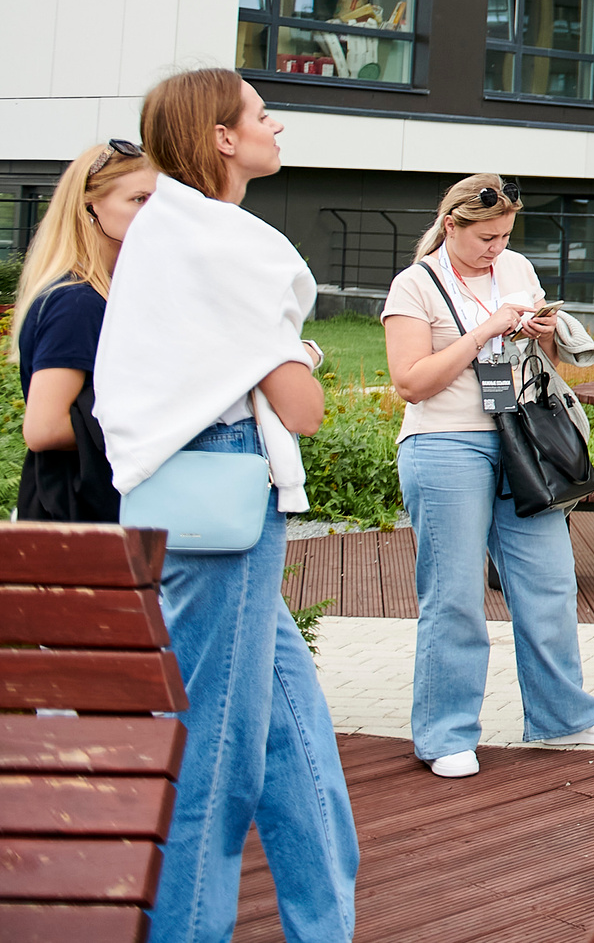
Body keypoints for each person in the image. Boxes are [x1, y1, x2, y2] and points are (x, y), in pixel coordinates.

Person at [93, 68, 359, 943]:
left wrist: (282, 358)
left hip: (188, 485)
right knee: (217, 747)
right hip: (225, 485)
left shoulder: (169, 231)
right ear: (219, 137)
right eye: (258, 113)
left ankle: (324, 926)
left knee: (292, 732)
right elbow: (303, 408)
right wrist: (306, 356)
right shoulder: (221, 241)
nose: (274, 124)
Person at [384, 174, 594, 778]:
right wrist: (485, 330)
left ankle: (563, 716)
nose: (496, 248)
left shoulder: (518, 268)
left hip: (520, 436)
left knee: (549, 582)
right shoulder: (415, 284)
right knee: (455, 594)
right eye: (485, 238)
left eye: (503, 237)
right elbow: (411, 381)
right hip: (446, 443)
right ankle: (445, 733)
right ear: (452, 226)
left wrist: (541, 336)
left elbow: (535, 365)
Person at [14, 140, 158, 522]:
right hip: (75, 513)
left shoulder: (104, 294)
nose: (154, 213)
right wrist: (159, 428)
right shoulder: (76, 301)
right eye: (140, 199)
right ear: (90, 206)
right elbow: (43, 428)